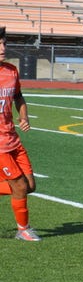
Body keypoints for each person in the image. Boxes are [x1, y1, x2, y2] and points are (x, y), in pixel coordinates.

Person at [0, 26, 41, 241]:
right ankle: (23, 229)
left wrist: (24, 117)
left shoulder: (11, 71)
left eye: (4, 43)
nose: (3, 47)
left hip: (13, 139)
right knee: (19, 187)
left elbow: (18, 98)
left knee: (30, 186)